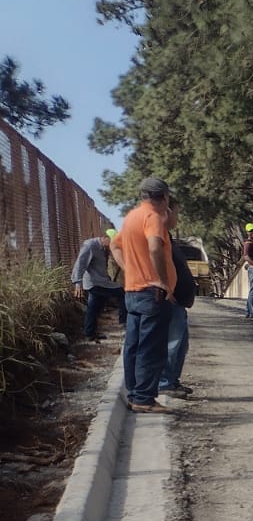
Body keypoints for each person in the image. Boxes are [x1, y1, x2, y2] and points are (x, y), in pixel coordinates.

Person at [111, 176, 176, 415]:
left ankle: (135, 393)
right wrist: (162, 281)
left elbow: (114, 245)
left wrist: (130, 268)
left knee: (134, 345)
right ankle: (144, 399)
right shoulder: (154, 218)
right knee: (151, 347)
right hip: (152, 294)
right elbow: (154, 246)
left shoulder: (131, 218)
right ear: (165, 197)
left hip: (132, 291)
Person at [160, 197, 199, 400]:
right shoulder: (158, 236)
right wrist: (167, 289)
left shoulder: (168, 237)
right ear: (166, 212)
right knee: (172, 343)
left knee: (181, 344)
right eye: (176, 212)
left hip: (179, 302)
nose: (177, 217)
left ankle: (173, 381)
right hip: (170, 300)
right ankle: (165, 383)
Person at [71, 228, 126, 341]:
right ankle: (125, 323)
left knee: (94, 307)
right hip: (95, 283)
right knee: (122, 292)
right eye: (112, 242)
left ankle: (90, 332)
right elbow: (80, 263)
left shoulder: (104, 248)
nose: (113, 245)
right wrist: (77, 282)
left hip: (101, 281)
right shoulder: (90, 245)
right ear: (105, 238)